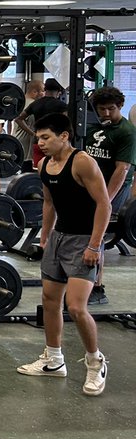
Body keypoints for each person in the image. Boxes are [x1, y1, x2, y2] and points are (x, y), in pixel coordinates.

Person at [17, 112, 111, 396]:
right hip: (58, 240)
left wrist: (95, 245)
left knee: (76, 307)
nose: (41, 143)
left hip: (83, 241)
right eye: (38, 138)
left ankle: (96, 362)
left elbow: (104, 204)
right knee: (49, 300)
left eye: (46, 138)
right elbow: (49, 202)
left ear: (64, 136)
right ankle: (54, 360)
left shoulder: (82, 162)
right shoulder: (45, 164)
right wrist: (45, 236)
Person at [83, 85, 136, 306]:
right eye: (101, 109)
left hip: (113, 188)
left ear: (120, 106)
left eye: (110, 109)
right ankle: (81, 281)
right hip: (90, 185)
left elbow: (121, 170)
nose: (106, 113)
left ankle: (97, 288)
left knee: (97, 233)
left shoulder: (127, 132)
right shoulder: (94, 126)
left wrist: (106, 200)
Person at [16, 78, 67, 167]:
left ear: (45, 89)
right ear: (58, 91)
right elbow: (66, 123)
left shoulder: (36, 103)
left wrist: (32, 133)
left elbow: (18, 119)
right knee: (54, 171)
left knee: (39, 170)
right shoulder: (62, 106)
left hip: (39, 141)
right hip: (55, 143)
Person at [12, 80, 45, 172]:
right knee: (27, 168)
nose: (44, 94)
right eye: (42, 91)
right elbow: (19, 119)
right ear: (35, 92)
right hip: (26, 143)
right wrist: (33, 134)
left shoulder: (19, 102)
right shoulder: (32, 105)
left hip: (18, 139)